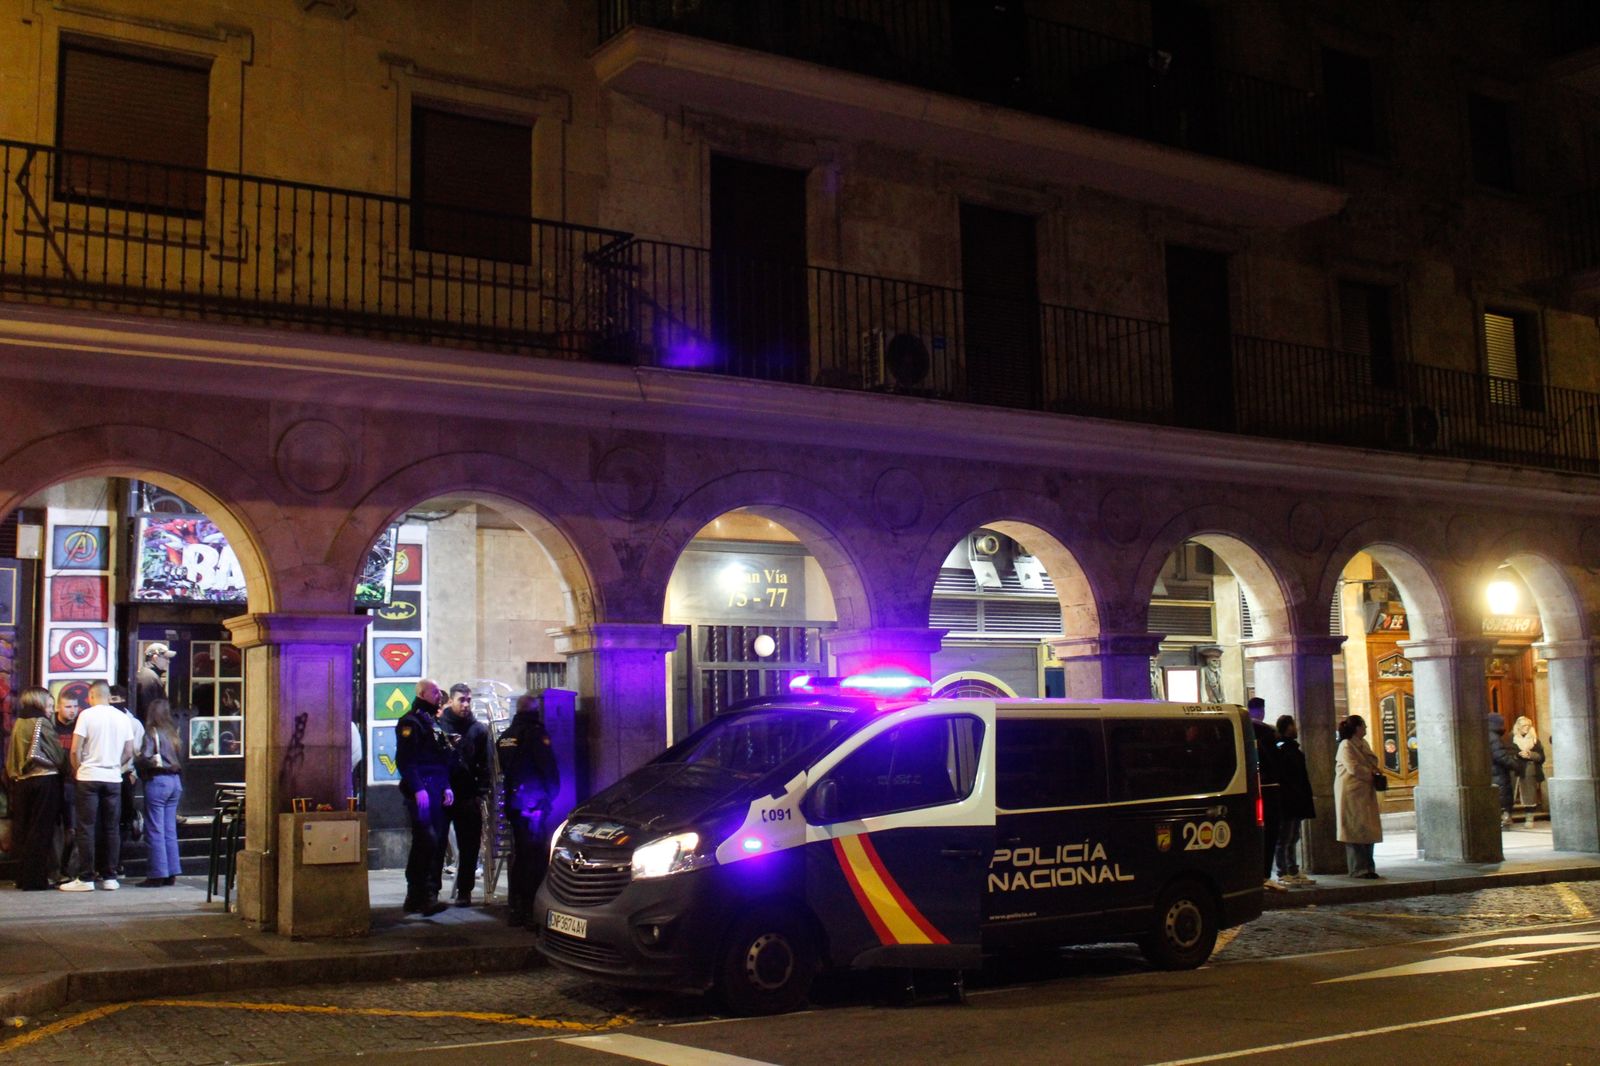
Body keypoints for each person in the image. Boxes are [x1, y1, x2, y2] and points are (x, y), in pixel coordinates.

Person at [62, 680, 136, 891]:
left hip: (89, 776)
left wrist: (78, 768)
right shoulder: (123, 718)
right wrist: (116, 766)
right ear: (109, 696)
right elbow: (129, 751)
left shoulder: (86, 715)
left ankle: (86, 877)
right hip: (113, 777)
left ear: (91, 696)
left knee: (86, 827)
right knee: (111, 828)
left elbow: (75, 749)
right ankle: (110, 876)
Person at [497, 692, 560, 928]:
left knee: (520, 854)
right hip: (534, 804)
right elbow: (547, 767)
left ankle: (516, 908)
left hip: (514, 802)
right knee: (534, 857)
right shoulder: (535, 733)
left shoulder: (506, 736)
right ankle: (531, 907)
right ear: (535, 710)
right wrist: (551, 795)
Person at [395, 679, 452, 916]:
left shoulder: (432, 721)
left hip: (436, 789)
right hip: (422, 792)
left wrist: (446, 786)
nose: (439, 695)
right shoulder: (411, 722)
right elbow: (405, 760)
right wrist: (418, 788)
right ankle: (422, 894)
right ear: (422, 693)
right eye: (435, 691)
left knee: (433, 842)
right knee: (426, 840)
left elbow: (440, 758)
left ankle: (419, 896)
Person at [4, 688, 67, 890]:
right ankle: (36, 879)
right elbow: (57, 755)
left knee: (25, 830)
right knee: (41, 830)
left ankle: (23, 877)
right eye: (48, 705)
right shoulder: (41, 722)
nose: (50, 710)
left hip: (22, 782)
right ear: (39, 702)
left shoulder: (19, 722)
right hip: (44, 780)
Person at [440, 683, 490, 906]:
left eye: (469, 700)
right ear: (451, 700)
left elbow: (484, 763)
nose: (466, 704)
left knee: (469, 846)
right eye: (462, 700)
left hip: (468, 795)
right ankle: (431, 891)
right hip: (442, 794)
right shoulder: (440, 726)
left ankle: (464, 891)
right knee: (437, 844)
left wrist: (481, 793)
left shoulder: (478, 730)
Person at [136, 698, 184, 887]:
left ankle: (157, 873)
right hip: (175, 782)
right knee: (169, 829)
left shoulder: (151, 732)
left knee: (155, 828)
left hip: (158, 780)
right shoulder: (173, 733)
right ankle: (172, 871)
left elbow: (147, 757)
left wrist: (138, 759)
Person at [1335, 714, 1383, 878]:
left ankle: (1369, 867)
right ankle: (1358, 868)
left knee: (1368, 830)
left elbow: (1372, 761)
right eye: (1363, 725)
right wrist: (1371, 773)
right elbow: (1353, 768)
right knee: (1355, 830)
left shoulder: (1363, 743)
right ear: (1357, 728)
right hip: (1352, 794)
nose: (1366, 728)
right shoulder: (1346, 745)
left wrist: (1373, 770)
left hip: (1365, 792)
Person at [1274, 714, 1316, 886]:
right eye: (1293, 725)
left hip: (1297, 799)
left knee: (1293, 836)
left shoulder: (1293, 749)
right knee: (1284, 837)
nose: (1296, 728)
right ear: (1287, 727)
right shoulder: (1282, 749)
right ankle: (1283, 871)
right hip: (1288, 800)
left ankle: (1292, 869)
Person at [1247, 697, 1284, 891]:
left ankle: (1258, 874)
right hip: (1269, 788)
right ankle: (1264, 874)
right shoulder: (1266, 732)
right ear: (1261, 710)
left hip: (1254, 786)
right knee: (1270, 834)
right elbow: (1275, 762)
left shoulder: (1246, 729)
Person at [48, 692, 80, 885]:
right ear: (58, 707)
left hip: (74, 782)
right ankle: (55, 870)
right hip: (54, 780)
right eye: (68, 706)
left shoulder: (80, 725)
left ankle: (69, 870)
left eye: (75, 706)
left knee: (73, 828)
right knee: (56, 829)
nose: (72, 711)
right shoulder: (50, 726)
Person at [1511, 716, 1545, 827]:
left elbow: (1542, 757)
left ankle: (1529, 818)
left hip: (1530, 771)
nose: (1526, 728)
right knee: (1510, 794)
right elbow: (1507, 753)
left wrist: (1530, 755)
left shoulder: (1535, 740)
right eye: (1523, 726)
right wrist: (1517, 755)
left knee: (1530, 795)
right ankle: (1507, 816)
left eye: (1528, 726)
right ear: (1518, 727)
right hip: (1515, 771)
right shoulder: (1512, 739)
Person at [1487, 712, 1519, 829]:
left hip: (1489, 772)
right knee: (1502, 796)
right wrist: (1515, 764)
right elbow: (1500, 756)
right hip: (1498, 773)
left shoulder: (1483, 735)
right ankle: (1504, 820)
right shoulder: (1494, 737)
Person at [135, 643, 174, 715]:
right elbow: (149, 709)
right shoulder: (150, 678)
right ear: (155, 658)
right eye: (166, 658)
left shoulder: (150, 675)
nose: (168, 661)